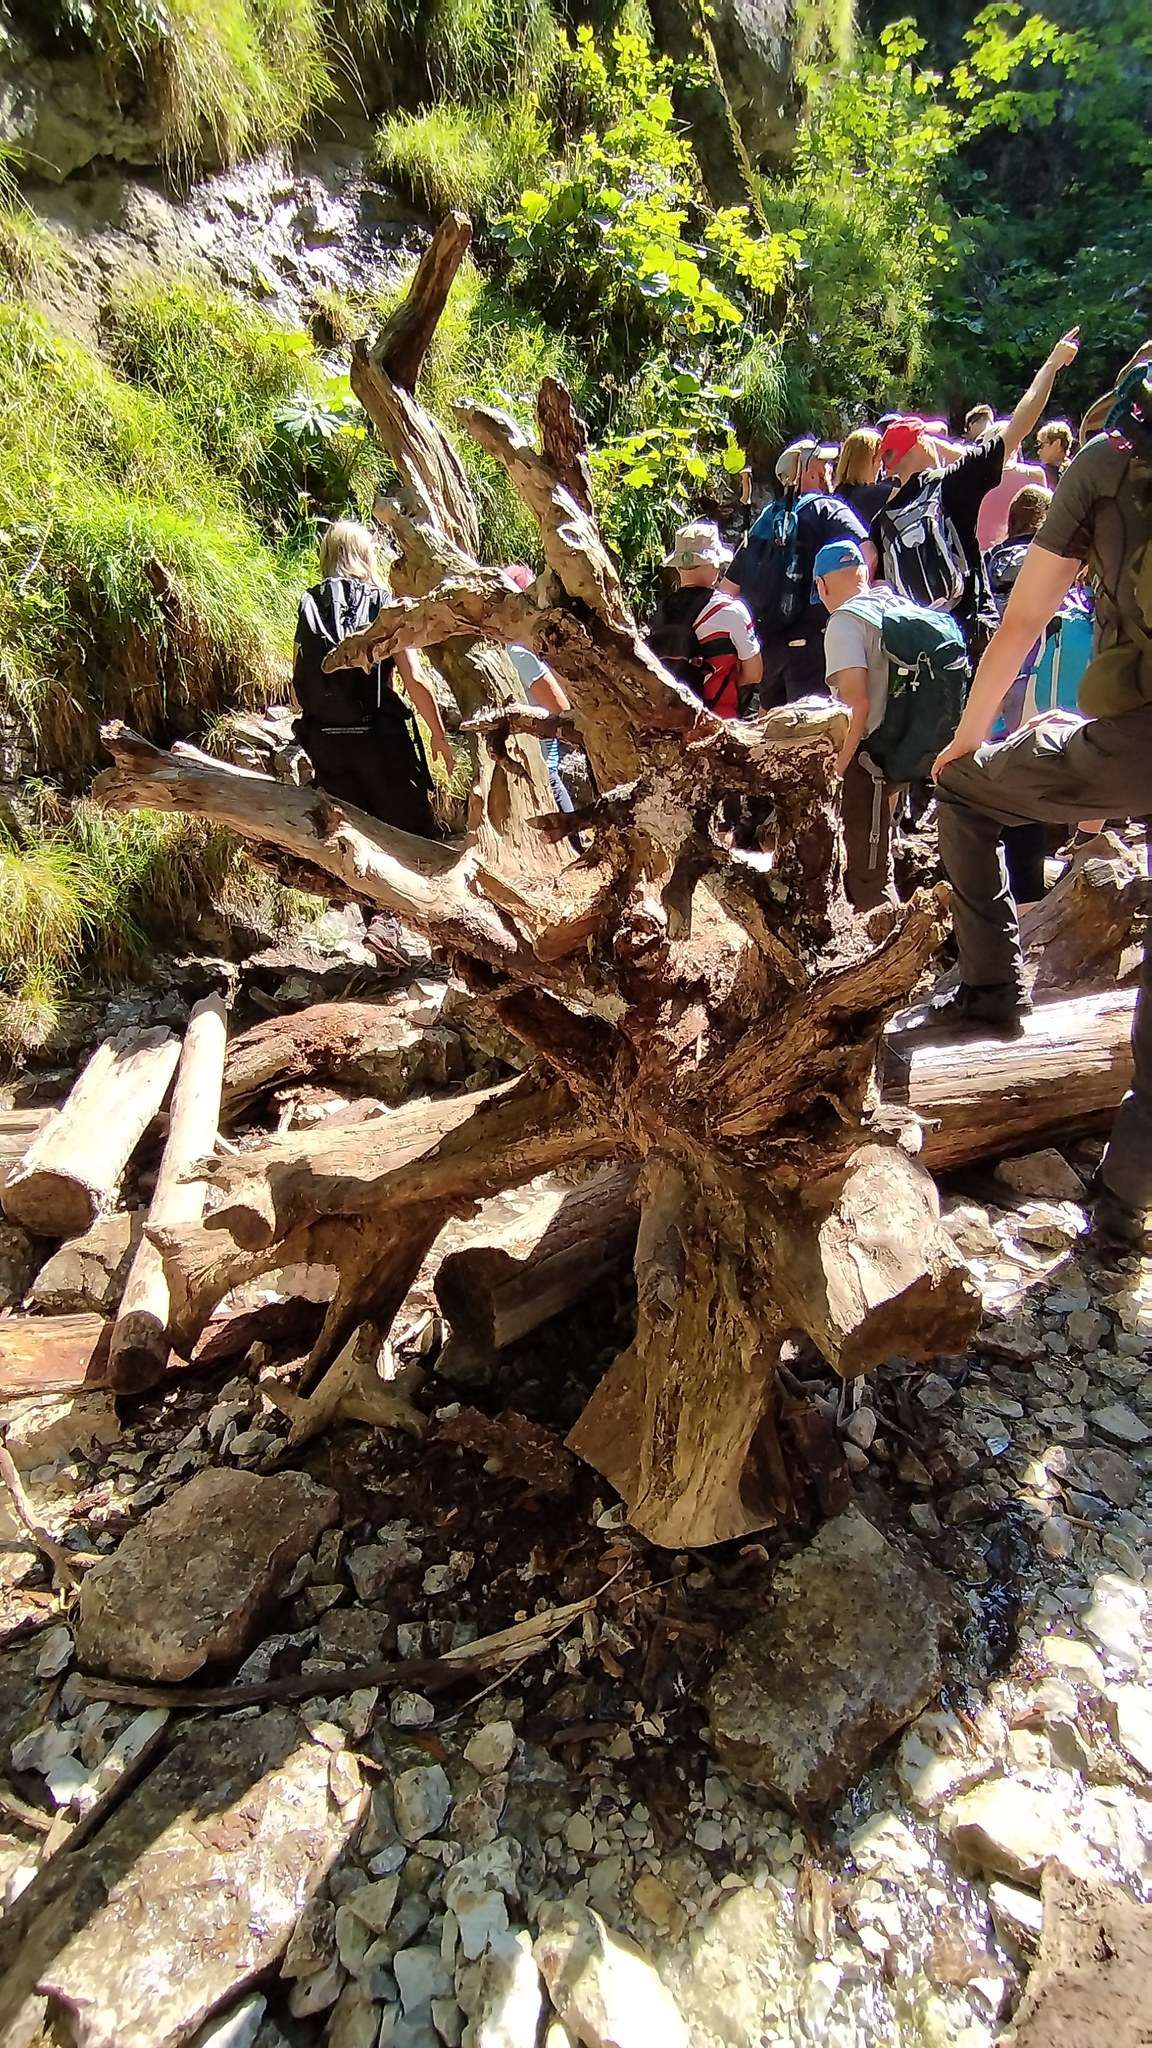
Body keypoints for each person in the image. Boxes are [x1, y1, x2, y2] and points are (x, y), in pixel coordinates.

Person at [930, 344, 1152, 1252]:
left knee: (963, 794)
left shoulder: (1107, 463)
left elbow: (1023, 619)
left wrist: (965, 743)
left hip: (1132, 740)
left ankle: (992, 988)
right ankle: (1126, 1209)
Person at [872, 330, 1080, 657]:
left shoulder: (882, 521)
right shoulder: (953, 481)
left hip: (918, 652)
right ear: (922, 442)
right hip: (970, 632)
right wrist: (1051, 366)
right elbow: (1020, 425)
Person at [816, 538, 969, 912]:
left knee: (868, 880)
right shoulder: (896, 605)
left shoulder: (844, 622)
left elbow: (857, 704)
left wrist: (835, 772)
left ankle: (881, 932)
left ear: (821, 585)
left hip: (868, 756)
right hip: (906, 747)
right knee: (880, 847)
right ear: (864, 574)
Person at [293, 521, 454, 837]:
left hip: (326, 742)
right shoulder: (384, 604)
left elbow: (299, 683)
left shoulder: (310, 602)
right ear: (366, 556)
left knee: (351, 835)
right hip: (379, 740)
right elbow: (414, 679)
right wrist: (438, 735)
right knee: (410, 836)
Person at [725, 463, 871, 704]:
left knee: (771, 722)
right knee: (812, 723)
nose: (830, 470)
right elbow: (867, 552)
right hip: (813, 646)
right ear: (811, 472)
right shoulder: (829, 509)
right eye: (825, 465)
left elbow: (727, 589)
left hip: (769, 647)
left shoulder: (766, 519)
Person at [649, 521, 762, 718]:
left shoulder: (661, 612)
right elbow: (754, 673)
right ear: (713, 564)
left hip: (667, 720)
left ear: (679, 567)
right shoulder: (730, 610)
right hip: (718, 722)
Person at [975, 424, 1049, 550]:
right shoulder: (1035, 475)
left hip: (979, 554)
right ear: (1017, 445)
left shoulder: (970, 478)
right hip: (1023, 550)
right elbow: (1045, 518)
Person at [834, 428, 891, 525]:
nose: (881, 466)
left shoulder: (838, 493)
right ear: (866, 463)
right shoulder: (875, 495)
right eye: (879, 460)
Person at [1037, 417, 1074, 489]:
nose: (1039, 451)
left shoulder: (1073, 472)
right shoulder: (1074, 470)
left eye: (1042, 445)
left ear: (1057, 444)